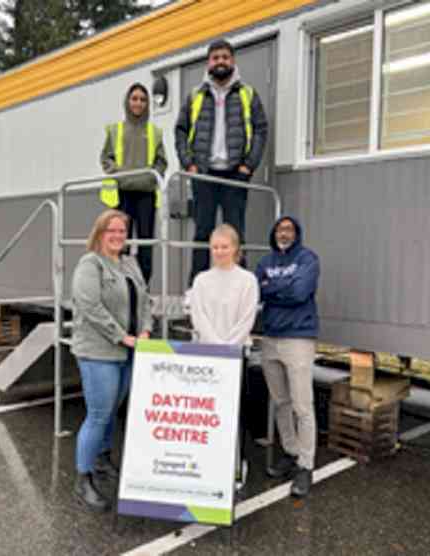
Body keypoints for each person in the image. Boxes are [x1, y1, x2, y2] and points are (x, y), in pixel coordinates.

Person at [71, 209, 152, 512]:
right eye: (112, 231)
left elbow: (146, 299)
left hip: (130, 349)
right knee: (98, 415)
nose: (118, 236)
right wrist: (122, 336)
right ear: (100, 233)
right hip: (98, 352)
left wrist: (145, 329)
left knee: (112, 410)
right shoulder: (89, 264)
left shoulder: (129, 262)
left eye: (122, 231)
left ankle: (103, 459)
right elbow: (90, 307)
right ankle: (83, 478)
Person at [175, 39, 269, 284]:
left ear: (233, 61)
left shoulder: (247, 93)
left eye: (225, 57)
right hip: (204, 175)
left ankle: (238, 288)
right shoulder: (195, 95)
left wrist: (249, 165)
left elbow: (261, 129)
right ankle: (195, 291)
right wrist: (189, 165)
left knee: (235, 233)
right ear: (208, 63)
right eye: (215, 58)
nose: (220, 62)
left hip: (235, 175)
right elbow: (181, 131)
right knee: (202, 234)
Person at [189, 223, 259, 490]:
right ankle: (209, 464)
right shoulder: (201, 280)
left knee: (235, 412)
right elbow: (199, 317)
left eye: (224, 247)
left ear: (235, 249)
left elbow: (246, 319)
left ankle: (236, 465)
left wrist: (229, 348)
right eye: (215, 247)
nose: (219, 251)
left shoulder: (247, 280)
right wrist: (216, 346)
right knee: (208, 415)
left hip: (235, 355)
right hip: (208, 355)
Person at [255, 217, 320, 498]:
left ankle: (306, 465)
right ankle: (291, 452)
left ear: (297, 234)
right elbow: (258, 290)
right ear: (274, 233)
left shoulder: (308, 259)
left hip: (298, 338)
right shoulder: (264, 261)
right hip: (270, 338)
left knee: (302, 406)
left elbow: (299, 292)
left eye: (289, 229)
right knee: (281, 402)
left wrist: (273, 289)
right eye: (280, 229)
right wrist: (279, 289)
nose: (284, 233)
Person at [100, 83, 167, 284]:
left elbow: (162, 162)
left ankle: (143, 288)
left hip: (146, 194)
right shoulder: (115, 130)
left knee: (146, 243)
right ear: (127, 102)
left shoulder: (154, 132)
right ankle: (120, 286)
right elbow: (106, 159)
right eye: (134, 98)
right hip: (122, 195)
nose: (138, 103)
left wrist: (149, 177)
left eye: (143, 99)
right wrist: (120, 174)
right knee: (120, 242)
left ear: (147, 104)